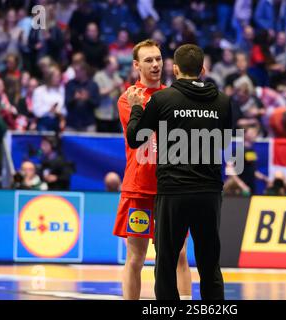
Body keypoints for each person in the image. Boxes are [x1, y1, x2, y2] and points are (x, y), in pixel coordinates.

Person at [125, 44, 232, 300]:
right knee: (209, 265)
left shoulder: (162, 99)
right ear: (203, 69)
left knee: (166, 263)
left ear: (174, 69)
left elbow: (135, 138)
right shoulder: (223, 101)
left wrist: (137, 107)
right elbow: (225, 142)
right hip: (209, 193)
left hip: (174, 192)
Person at [112, 39, 192, 300]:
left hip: (170, 188)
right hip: (139, 188)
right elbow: (143, 132)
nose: (156, 64)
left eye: (158, 58)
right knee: (136, 257)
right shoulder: (128, 99)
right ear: (136, 65)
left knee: (179, 255)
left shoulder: (175, 95)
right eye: (149, 60)